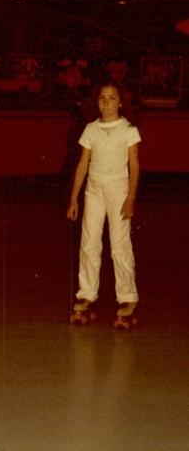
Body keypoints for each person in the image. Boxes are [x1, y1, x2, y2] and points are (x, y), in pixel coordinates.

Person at [67, 79, 140, 328]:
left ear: (120, 102)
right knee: (89, 243)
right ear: (96, 102)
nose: (106, 103)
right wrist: (74, 197)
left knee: (119, 245)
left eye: (111, 98)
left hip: (118, 190)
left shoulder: (129, 130)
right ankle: (86, 295)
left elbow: (134, 165)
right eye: (102, 98)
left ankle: (127, 298)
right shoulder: (90, 129)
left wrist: (130, 198)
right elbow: (83, 164)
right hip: (94, 191)